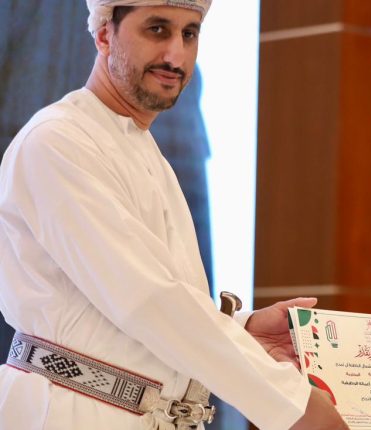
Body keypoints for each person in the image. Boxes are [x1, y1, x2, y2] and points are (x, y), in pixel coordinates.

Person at [0, 1, 348, 429]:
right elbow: (146, 299)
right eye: (157, 30)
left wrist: (244, 330)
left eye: (189, 34)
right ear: (105, 34)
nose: (175, 55)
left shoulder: (143, 151)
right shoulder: (57, 141)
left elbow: (143, 308)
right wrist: (291, 405)